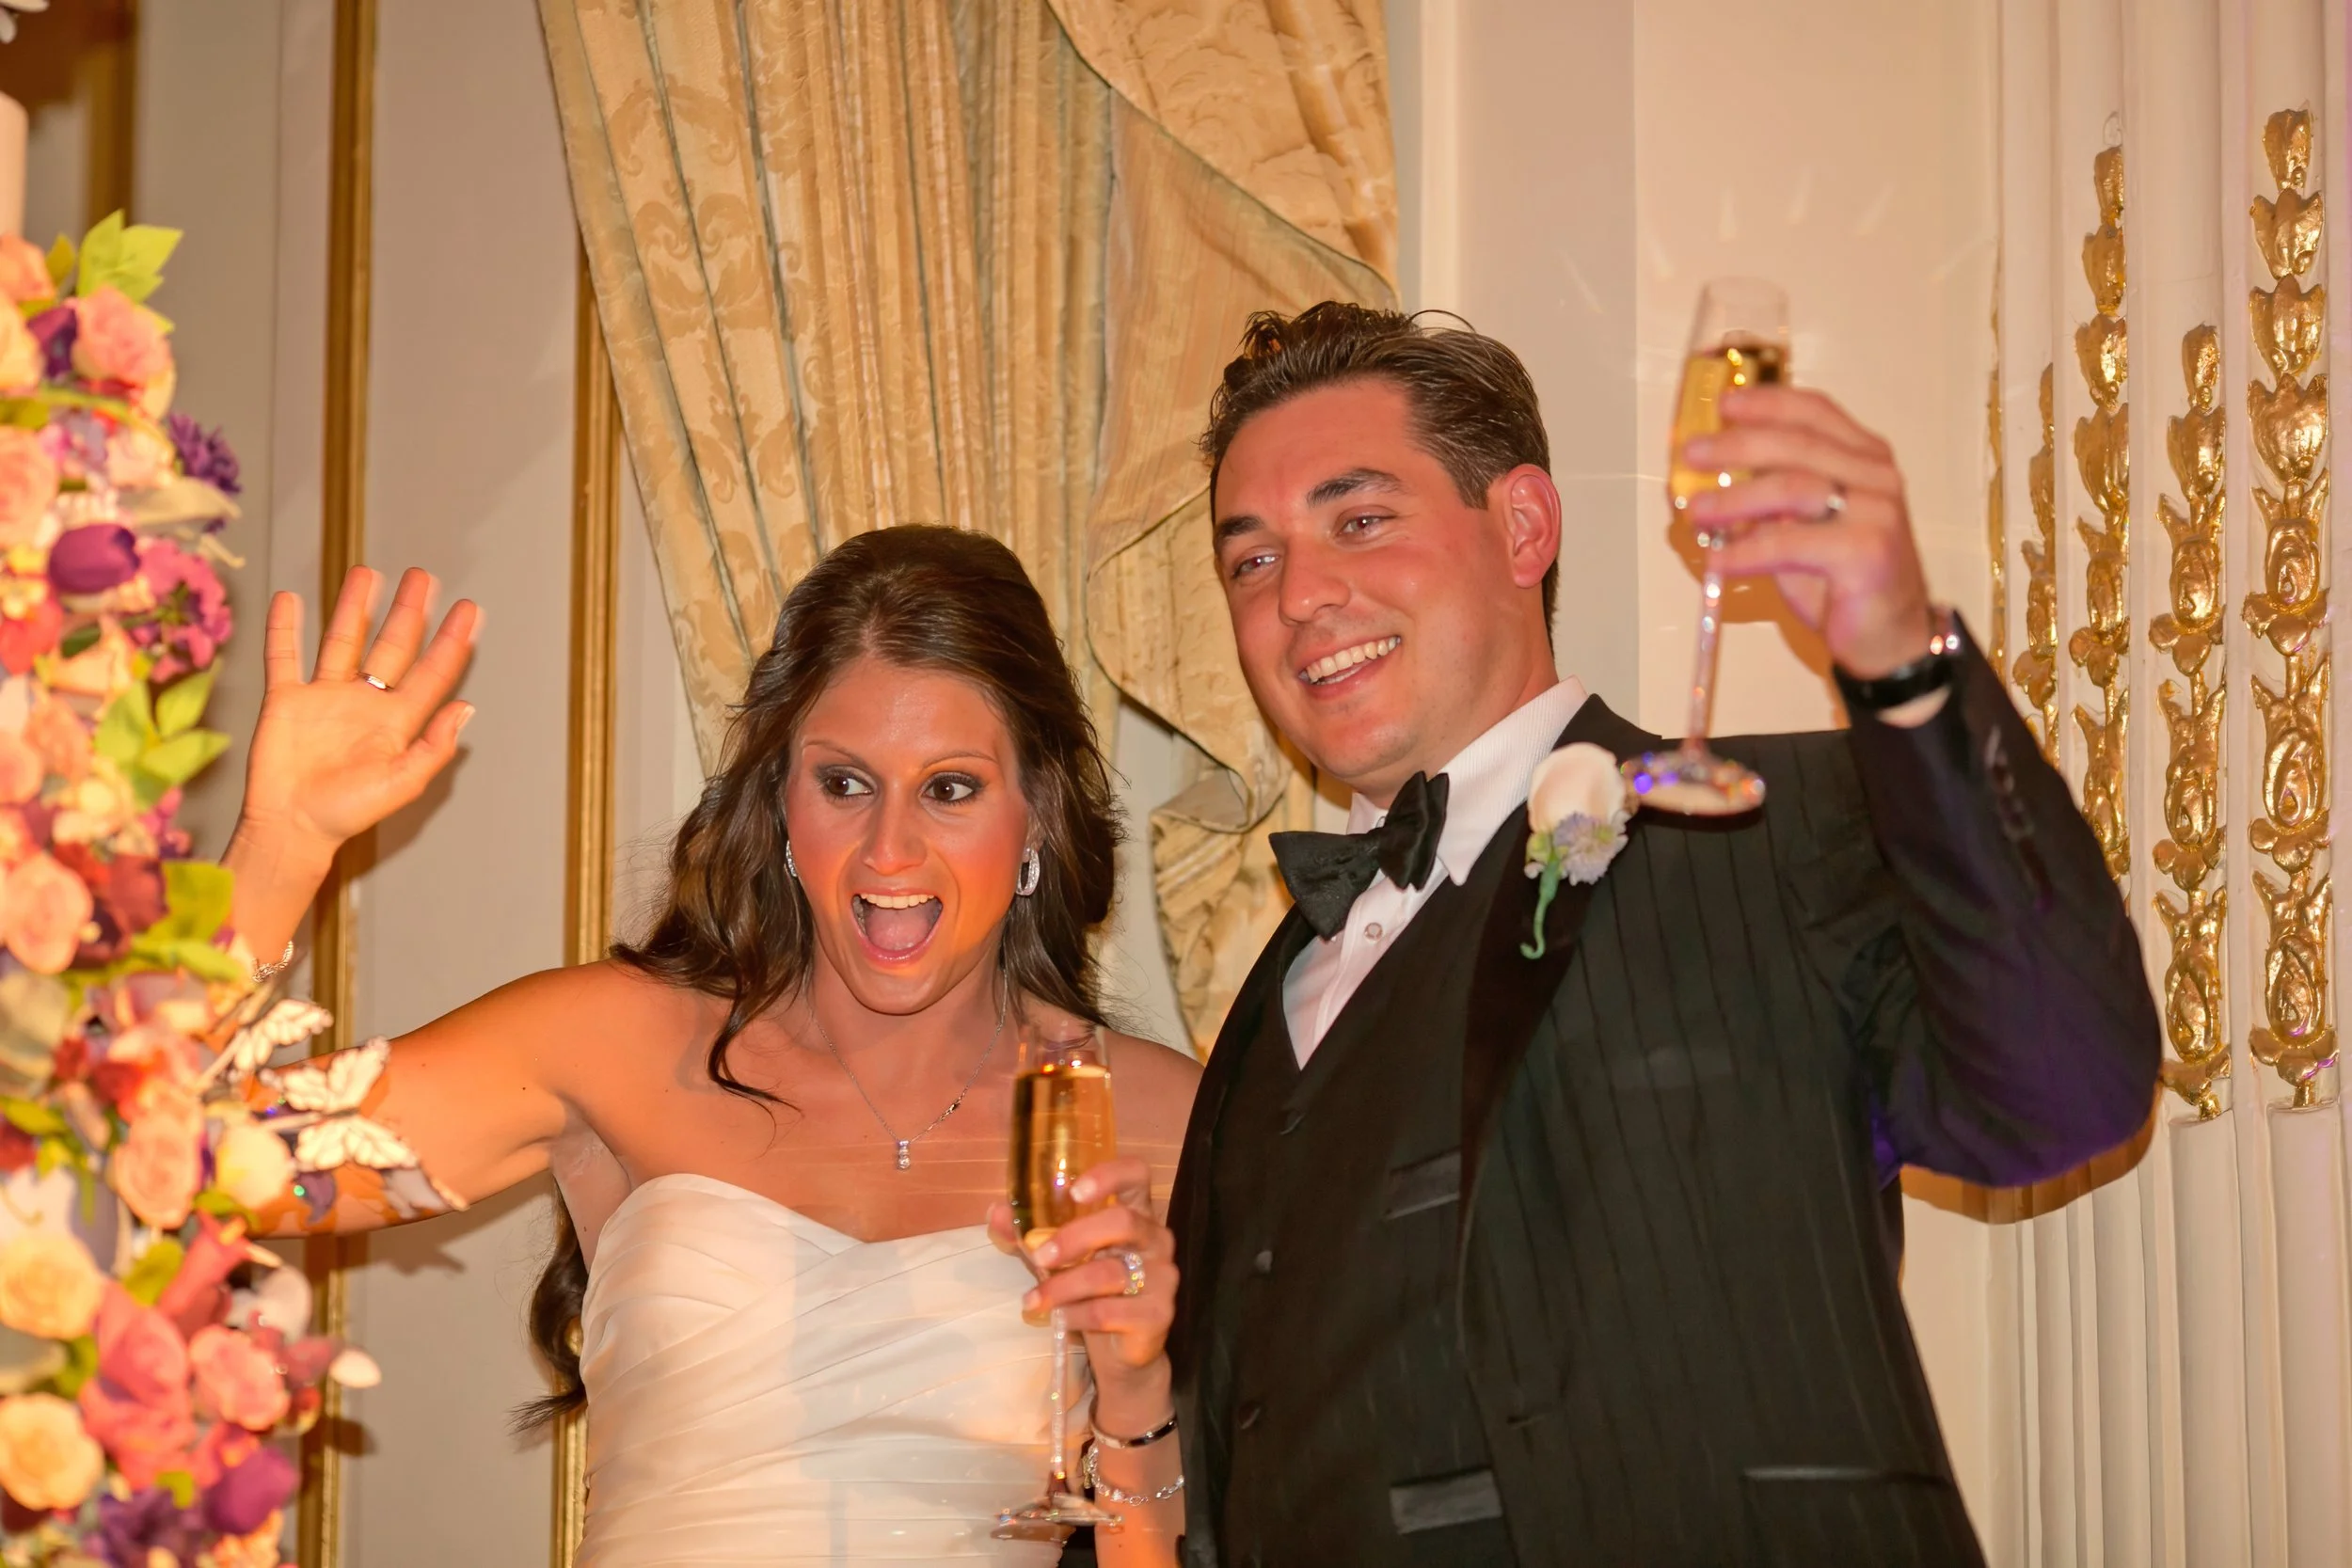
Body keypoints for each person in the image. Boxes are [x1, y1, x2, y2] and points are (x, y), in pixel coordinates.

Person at [1022, 304, 2160, 1566]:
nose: (1299, 596)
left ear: (1523, 526)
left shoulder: (1771, 828)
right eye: (1252, 561)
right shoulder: (1265, 1006)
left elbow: (2065, 1091)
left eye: (1361, 519)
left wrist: (1901, 658)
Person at [221, 526, 1196, 1565]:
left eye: (949, 788)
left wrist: (1135, 1390)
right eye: (844, 784)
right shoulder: (616, 1042)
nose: (890, 848)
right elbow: (197, 1167)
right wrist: (281, 846)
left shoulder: (1162, 1119)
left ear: (1037, 812)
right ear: (779, 805)